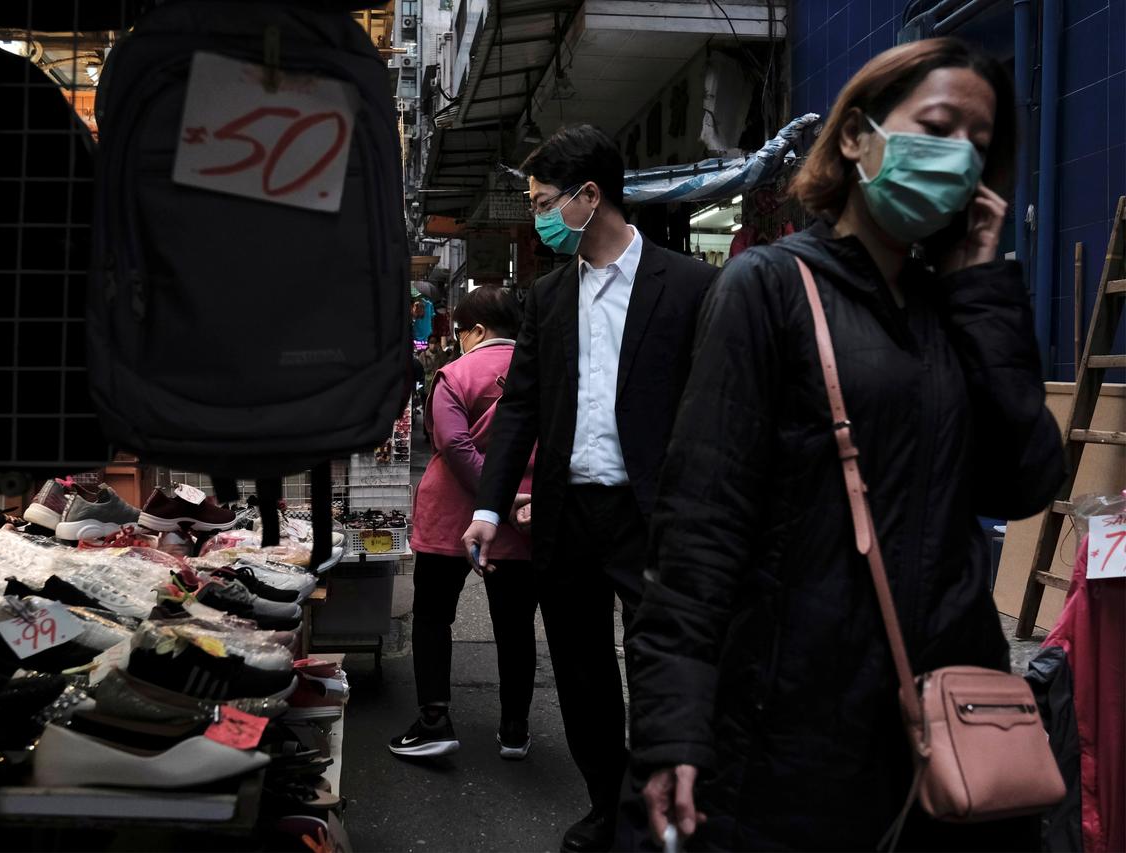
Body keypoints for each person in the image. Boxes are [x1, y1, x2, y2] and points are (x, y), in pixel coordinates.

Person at [627, 38, 1065, 851]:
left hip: (950, 714)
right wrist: (672, 724)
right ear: (858, 136)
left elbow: (1025, 478)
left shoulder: (957, 306)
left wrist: (983, 286)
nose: (958, 157)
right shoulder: (768, 287)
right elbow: (701, 526)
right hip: (795, 726)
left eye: (978, 143)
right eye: (938, 126)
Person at [461, 125, 719, 853]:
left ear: (590, 196)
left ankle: (659, 808)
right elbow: (521, 408)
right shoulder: (546, 298)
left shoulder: (691, 286)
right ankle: (608, 803)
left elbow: (710, 405)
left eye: (545, 201)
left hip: (652, 515)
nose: (539, 215)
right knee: (580, 673)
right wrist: (488, 505)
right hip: (567, 514)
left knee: (660, 666)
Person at [391, 286, 539, 760]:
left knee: (434, 615)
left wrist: (489, 496)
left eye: (461, 332)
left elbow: (453, 445)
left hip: (449, 517)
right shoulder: (544, 373)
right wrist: (512, 498)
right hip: (522, 515)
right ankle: (514, 728)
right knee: (516, 625)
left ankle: (435, 720)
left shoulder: (454, 374)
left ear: (475, 331)